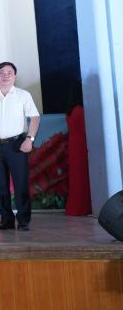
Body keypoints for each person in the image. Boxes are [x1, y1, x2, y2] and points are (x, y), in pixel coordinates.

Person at [0, 62, 41, 231]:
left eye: (9, 73)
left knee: (21, 184)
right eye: (2, 73)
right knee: (1, 185)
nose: (5, 76)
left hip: (17, 144)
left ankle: (24, 221)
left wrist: (30, 139)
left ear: (14, 76)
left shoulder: (23, 95)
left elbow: (35, 118)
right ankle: (6, 220)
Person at [65, 82, 92, 215]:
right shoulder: (80, 110)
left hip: (73, 145)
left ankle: (76, 207)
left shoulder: (69, 111)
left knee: (76, 177)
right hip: (82, 145)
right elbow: (85, 131)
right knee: (83, 177)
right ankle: (83, 207)